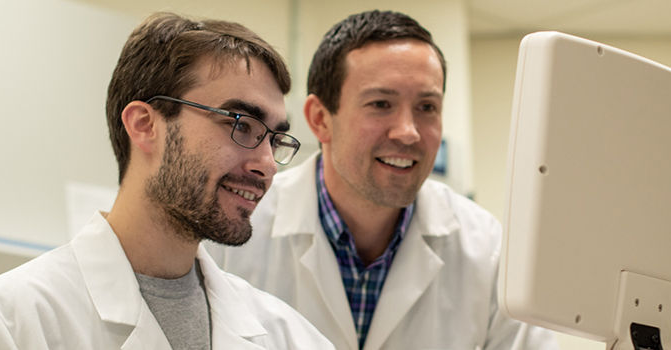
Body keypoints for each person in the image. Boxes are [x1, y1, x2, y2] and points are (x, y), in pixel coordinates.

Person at [0, 12, 333, 349]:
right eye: (241, 125)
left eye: (274, 138)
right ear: (145, 125)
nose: (267, 163)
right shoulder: (6, 324)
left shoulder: (289, 336)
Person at [208, 9, 559, 350]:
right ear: (320, 119)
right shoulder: (232, 235)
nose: (408, 133)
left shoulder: (486, 248)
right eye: (380, 104)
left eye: (427, 107)